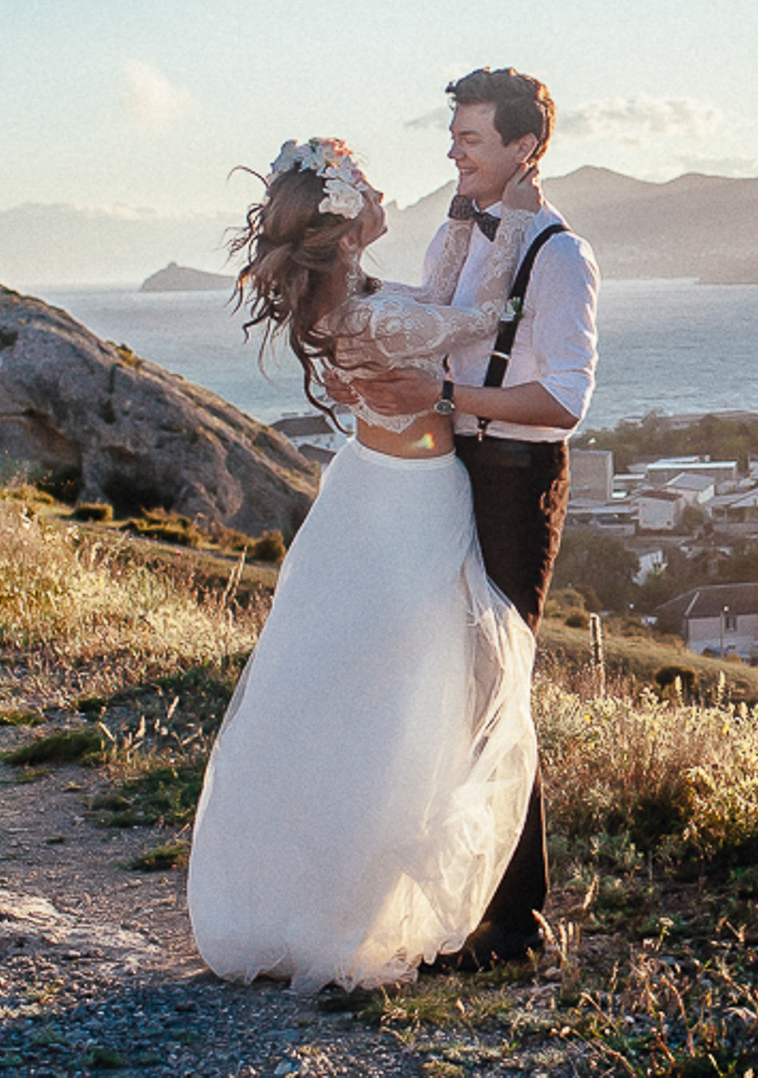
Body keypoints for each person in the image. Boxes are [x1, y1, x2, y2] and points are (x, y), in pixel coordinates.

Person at [185, 137, 547, 991]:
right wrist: (516, 218)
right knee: (408, 686)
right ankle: (356, 904)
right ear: (346, 228)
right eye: (368, 189)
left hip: (369, 490)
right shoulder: (373, 316)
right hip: (411, 501)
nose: (383, 195)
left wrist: (461, 223)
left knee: (353, 680)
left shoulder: (352, 304)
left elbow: (434, 300)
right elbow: (479, 316)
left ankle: (329, 891)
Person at [342, 66, 598, 968]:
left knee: (496, 685)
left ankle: (516, 922)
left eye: (471, 138)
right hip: (452, 470)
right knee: (450, 685)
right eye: (453, 136)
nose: (454, 152)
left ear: (525, 146)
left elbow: (565, 400)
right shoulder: (455, 242)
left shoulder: (559, 256)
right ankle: (460, 903)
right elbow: (435, 334)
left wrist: (442, 395)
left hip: (517, 479)